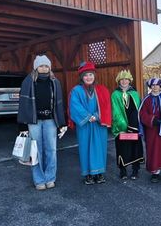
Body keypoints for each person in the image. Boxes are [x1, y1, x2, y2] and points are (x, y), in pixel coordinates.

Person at [17, 55, 67, 191]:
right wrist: (22, 125)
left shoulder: (54, 82)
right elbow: (22, 104)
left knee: (51, 150)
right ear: (36, 67)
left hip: (50, 120)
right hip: (34, 121)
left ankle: (50, 178)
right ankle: (39, 180)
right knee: (36, 151)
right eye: (41, 66)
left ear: (49, 68)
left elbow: (59, 103)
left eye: (46, 66)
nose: (44, 68)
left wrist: (62, 123)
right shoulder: (28, 81)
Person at [68, 61, 111, 185]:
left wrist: (97, 116)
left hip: (98, 124)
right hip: (85, 125)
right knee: (85, 148)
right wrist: (87, 117)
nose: (89, 77)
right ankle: (88, 175)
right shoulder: (76, 90)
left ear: (94, 76)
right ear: (82, 77)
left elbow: (107, 106)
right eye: (86, 75)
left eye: (91, 75)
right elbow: (74, 106)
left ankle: (99, 173)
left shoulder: (102, 90)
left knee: (99, 148)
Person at [139, 77, 161, 183]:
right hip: (151, 130)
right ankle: (155, 173)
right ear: (150, 87)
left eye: (157, 85)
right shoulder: (146, 100)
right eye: (152, 85)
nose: (155, 87)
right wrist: (152, 120)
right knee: (152, 150)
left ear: (160, 86)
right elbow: (142, 114)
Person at [110, 71, 144, 181]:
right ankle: (123, 170)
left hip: (133, 127)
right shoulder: (115, 94)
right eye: (122, 79)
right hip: (121, 127)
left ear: (130, 81)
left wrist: (133, 126)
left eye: (126, 79)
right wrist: (123, 125)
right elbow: (115, 111)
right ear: (119, 81)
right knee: (122, 149)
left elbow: (137, 110)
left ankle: (135, 170)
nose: (124, 81)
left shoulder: (135, 93)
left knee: (135, 148)